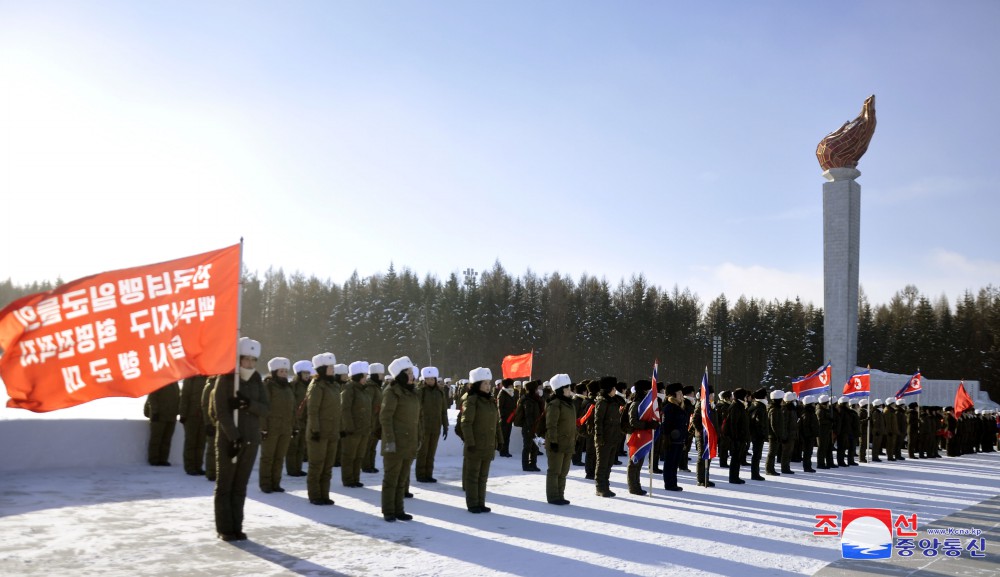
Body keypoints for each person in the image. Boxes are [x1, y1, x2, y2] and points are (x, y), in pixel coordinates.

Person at [213, 337, 269, 542]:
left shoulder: (257, 380)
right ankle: (225, 528)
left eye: (254, 360)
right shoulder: (226, 378)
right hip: (230, 441)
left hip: (251, 440)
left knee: (240, 485)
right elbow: (221, 412)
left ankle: (237, 526)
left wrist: (248, 404)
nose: (251, 364)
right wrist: (233, 437)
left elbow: (265, 408)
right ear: (239, 358)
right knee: (225, 485)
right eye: (247, 359)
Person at [381, 356, 421, 522]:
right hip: (395, 443)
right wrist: (390, 440)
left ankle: (399, 509)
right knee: (391, 478)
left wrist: (418, 437)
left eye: (412, 372)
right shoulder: (392, 392)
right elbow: (385, 417)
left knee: (402, 479)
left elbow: (416, 419)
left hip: (409, 442)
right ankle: (389, 510)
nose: (412, 375)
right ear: (400, 374)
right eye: (409, 372)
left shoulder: (412, 392)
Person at [462, 367, 500, 513]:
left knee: (483, 476)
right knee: (473, 476)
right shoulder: (472, 401)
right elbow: (466, 423)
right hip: (476, 444)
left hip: (488, 444)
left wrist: (500, 440)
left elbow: (496, 423)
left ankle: (481, 502)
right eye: (485, 383)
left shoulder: (490, 401)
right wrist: (470, 442)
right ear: (477, 384)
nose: (488, 386)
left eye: (489, 383)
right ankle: (473, 503)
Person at [306, 352, 341, 505]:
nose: (333, 369)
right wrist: (315, 430)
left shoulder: (333, 385)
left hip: (332, 431)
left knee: (327, 465)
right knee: (317, 464)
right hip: (319, 432)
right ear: (322, 369)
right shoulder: (317, 386)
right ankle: (315, 495)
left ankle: (324, 494)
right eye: (330, 367)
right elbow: (313, 410)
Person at [259, 357, 294, 493]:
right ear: (274, 372)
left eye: (286, 371)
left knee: (279, 457)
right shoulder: (267, 386)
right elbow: (263, 408)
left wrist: (294, 426)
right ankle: (265, 483)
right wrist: (263, 428)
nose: (284, 374)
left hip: (285, 427)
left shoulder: (288, 387)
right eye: (281, 371)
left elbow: (293, 408)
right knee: (268, 457)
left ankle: (275, 483)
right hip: (271, 427)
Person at [339, 361, 375, 488]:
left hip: (363, 429)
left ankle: (355, 478)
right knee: (349, 455)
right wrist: (349, 426)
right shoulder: (349, 389)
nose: (366, 378)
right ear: (358, 376)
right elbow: (345, 409)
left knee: (359, 456)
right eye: (364, 376)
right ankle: (348, 479)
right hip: (353, 430)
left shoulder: (364, 390)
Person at [545, 374, 577, 504]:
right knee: (555, 471)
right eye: (567, 387)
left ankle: (560, 495)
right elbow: (551, 425)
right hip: (557, 443)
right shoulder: (555, 404)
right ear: (560, 389)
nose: (570, 389)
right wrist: (553, 441)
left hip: (568, 443)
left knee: (564, 472)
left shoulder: (570, 404)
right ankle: (553, 497)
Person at [416, 366, 448, 483]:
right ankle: (420, 475)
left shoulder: (440, 392)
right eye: (428, 379)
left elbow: (443, 410)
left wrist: (445, 425)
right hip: (423, 426)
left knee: (431, 452)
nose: (430, 381)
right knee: (423, 452)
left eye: (432, 379)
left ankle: (428, 474)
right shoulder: (420, 391)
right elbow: (416, 409)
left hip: (436, 426)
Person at [625, 380, 656, 495]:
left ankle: (636, 484)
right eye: (648, 390)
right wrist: (647, 425)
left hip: (642, 435)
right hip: (635, 435)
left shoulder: (643, 402)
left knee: (639, 462)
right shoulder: (636, 403)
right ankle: (633, 486)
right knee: (634, 461)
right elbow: (633, 422)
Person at [593, 376, 620, 497]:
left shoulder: (613, 401)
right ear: (609, 389)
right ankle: (600, 487)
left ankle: (606, 485)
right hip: (604, 438)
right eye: (614, 388)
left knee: (609, 464)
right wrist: (599, 437)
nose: (616, 390)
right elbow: (598, 421)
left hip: (613, 437)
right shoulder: (602, 402)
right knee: (602, 464)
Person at [286, 360, 312, 477]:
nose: (307, 375)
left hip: (306, 420)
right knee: (293, 446)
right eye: (304, 373)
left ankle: (298, 467)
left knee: (302, 445)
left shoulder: (311, 386)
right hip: (295, 420)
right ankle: (292, 469)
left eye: (308, 373)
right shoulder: (293, 386)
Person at [179, 375, 208, 476]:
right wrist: (183, 413)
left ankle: (198, 466)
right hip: (191, 415)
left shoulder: (209, 377)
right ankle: (190, 467)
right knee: (191, 442)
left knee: (201, 442)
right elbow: (185, 396)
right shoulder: (191, 377)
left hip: (204, 416)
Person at [659, 382, 686, 492]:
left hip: (679, 440)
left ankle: (673, 482)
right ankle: (669, 484)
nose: (681, 395)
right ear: (673, 395)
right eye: (679, 393)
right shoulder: (669, 407)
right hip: (671, 441)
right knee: (670, 463)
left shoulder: (679, 407)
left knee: (675, 463)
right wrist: (667, 438)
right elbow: (665, 425)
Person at [145, 381, 180, 466]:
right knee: (156, 438)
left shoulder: (174, 383)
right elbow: (152, 397)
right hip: (159, 416)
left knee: (166, 439)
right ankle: (154, 459)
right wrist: (155, 411)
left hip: (171, 416)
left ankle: (163, 459)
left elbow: (178, 398)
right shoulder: (158, 381)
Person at [691, 385, 719, 487]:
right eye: (711, 394)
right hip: (702, 436)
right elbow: (695, 420)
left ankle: (706, 478)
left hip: (710, 436)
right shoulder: (701, 405)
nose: (713, 396)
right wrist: (702, 431)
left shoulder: (711, 405)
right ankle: (701, 479)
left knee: (708, 457)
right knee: (702, 457)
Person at [362, 363, 385, 474]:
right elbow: (368, 404)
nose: (383, 377)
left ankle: (371, 464)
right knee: (368, 444)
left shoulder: (377, 387)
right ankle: (366, 465)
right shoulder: (371, 388)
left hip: (377, 421)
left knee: (373, 445)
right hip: (371, 420)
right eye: (381, 374)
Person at [518, 380, 545, 472]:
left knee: (535, 447)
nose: (538, 390)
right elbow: (528, 415)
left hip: (536, 427)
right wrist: (531, 428)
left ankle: (533, 464)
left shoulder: (536, 399)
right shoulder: (528, 400)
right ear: (533, 389)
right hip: (529, 428)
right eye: (537, 388)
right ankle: (525, 465)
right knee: (527, 447)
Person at [724, 388, 750, 484]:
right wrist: (735, 438)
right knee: (735, 458)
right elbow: (733, 424)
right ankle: (733, 477)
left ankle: (736, 476)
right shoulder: (736, 406)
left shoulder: (740, 406)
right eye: (745, 396)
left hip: (740, 437)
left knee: (737, 458)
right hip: (737, 438)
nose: (747, 398)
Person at [747, 388, 768, 480]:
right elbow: (759, 422)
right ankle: (755, 474)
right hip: (758, 435)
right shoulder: (760, 407)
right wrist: (762, 433)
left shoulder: (754, 405)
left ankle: (755, 473)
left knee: (756, 454)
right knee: (757, 455)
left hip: (754, 434)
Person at [201, 376, 218, 481]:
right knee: (211, 448)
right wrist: (208, 423)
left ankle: (218, 471)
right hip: (212, 422)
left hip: (223, 422)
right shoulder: (210, 386)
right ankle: (211, 472)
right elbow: (205, 406)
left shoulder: (226, 384)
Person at [497, 379, 518, 458]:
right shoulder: (502, 393)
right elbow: (500, 407)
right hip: (504, 418)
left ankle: (506, 450)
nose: (512, 386)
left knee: (507, 436)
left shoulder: (511, 393)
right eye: (511, 384)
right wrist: (502, 416)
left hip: (510, 417)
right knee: (503, 435)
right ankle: (502, 451)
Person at [765, 390, 784, 476]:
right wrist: (778, 434)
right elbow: (774, 424)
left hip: (774, 434)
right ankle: (769, 469)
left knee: (773, 453)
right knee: (772, 453)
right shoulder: (774, 409)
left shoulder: (775, 408)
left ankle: (771, 468)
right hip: (773, 435)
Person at [799, 395, 819, 473]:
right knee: (807, 453)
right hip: (807, 437)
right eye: (813, 403)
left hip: (810, 435)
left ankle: (808, 466)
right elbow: (805, 426)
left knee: (809, 452)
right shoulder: (807, 413)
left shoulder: (810, 412)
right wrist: (808, 435)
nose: (814, 405)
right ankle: (807, 467)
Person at [780, 392, 798, 475]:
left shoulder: (792, 409)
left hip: (792, 433)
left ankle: (787, 467)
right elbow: (784, 423)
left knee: (789, 452)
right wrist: (784, 435)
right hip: (788, 434)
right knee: (786, 452)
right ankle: (785, 468)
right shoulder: (786, 409)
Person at [816, 394, 836, 469]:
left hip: (827, 431)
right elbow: (820, 422)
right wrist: (829, 421)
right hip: (822, 432)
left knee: (828, 447)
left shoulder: (826, 410)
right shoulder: (820, 411)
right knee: (822, 448)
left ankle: (829, 462)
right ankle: (820, 463)